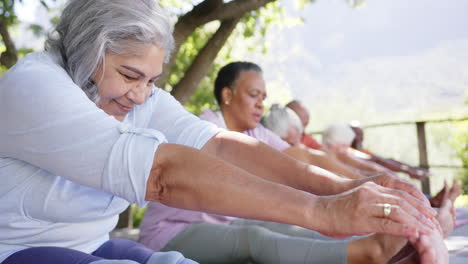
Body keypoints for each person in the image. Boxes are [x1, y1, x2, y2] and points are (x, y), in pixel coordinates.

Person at [139, 62, 445, 263]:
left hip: (225, 220)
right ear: (227, 95)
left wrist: (362, 184)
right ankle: (371, 252)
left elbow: (304, 158)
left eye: (264, 96)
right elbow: (219, 151)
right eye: (254, 95)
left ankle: (377, 241)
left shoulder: (255, 132)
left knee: (280, 223)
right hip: (171, 232)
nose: (261, 103)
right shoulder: (206, 124)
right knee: (255, 239)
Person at [349, 121, 431, 179]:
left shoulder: (362, 150)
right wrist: (409, 170)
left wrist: (410, 168)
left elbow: (383, 160)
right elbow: (376, 160)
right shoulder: (348, 151)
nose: (359, 137)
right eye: (356, 134)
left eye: (360, 134)